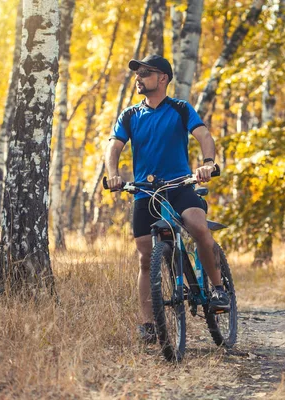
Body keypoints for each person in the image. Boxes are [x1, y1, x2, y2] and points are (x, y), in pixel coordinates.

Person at [105, 55, 230, 344]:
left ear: (162, 78)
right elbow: (113, 146)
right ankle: (148, 324)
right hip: (145, 192)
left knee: (198, 226)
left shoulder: (180, 109)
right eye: (137, 73)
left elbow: (203, 135)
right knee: (146, 257)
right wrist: (113, 174)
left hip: (180, 186)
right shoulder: (130, 115)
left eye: (146, 72)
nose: (139, 77)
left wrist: (208, 164)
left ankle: (218, 288)